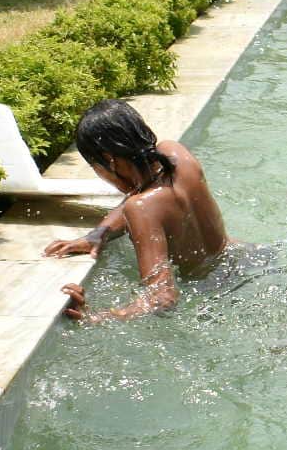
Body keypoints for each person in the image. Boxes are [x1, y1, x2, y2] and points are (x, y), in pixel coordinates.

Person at [44, 100, 232, 324]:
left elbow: (163, 298)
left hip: (213, 293)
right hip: (239, 262)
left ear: (109, 160)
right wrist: (100, 233)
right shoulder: (177, 155)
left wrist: (95, 318)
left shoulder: (141, 208)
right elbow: (147, 196)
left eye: (96, 167)